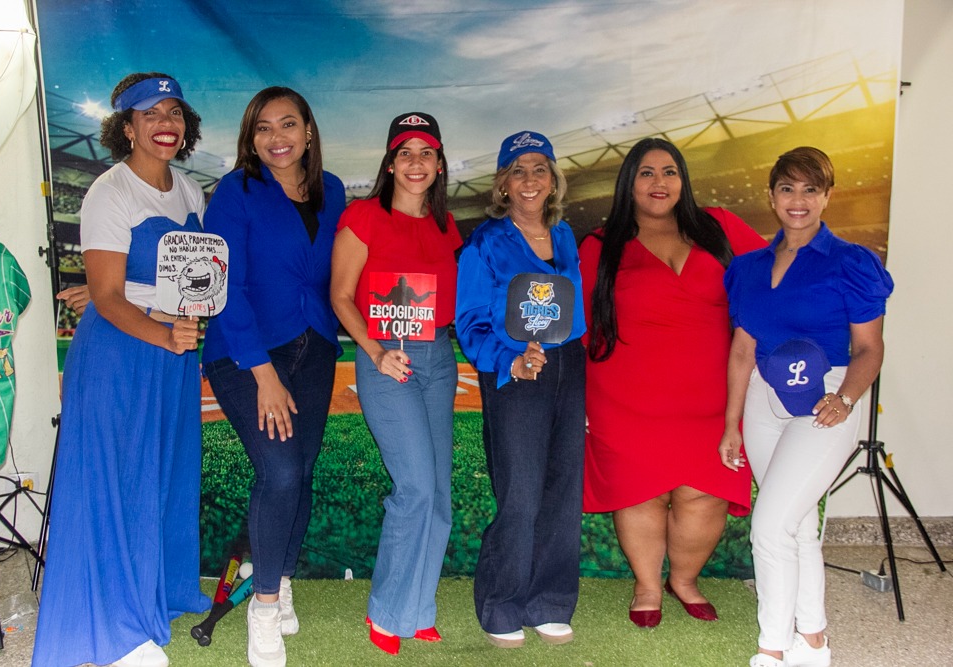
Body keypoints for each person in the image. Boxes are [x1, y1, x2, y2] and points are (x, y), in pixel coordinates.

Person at [33, 72, 210, 667]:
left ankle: (156, 593)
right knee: (118, 483)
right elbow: (108, 299)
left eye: (174, 112)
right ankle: (118, 631)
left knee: (163, 477)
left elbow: (189, 280)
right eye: (149, 113)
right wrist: (163, 330)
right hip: (123, 352)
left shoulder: (191, 192)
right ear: (127, 127)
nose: (165, 123)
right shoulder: (109, 191)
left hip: (173, 352)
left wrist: (177, 325)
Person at [581, 137, 767, 628]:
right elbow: (579, 323)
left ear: (684, 180)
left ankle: (684, 580)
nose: (658, 182)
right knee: (639, 493)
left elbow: (774, 274)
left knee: (703, 493)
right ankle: (647, 585)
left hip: (713, 399)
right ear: (629, 183)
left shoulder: (719, 226)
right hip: (625, 399)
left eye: (669, 171)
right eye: (646, 173)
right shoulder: (600, 244)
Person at [719, 147, 893, 667]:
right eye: (788, 188)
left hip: (826, 396)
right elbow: (742, 351)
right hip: (763, 396)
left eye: (811, 189)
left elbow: (870, 348)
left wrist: (845, 398)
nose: (799, 200)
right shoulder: (748, 268)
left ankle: (772, 648)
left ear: (827, 196)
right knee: (795, 528)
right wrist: (731, 423)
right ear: (772, 196)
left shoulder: (851, 262)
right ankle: (813, 640)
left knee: (770, 525)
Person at [201, 86, 345, 667]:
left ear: (308, 131)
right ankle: (262, 608)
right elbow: (223, 285)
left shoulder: (332, 189)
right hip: (247, 352)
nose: (277, 137)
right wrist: (263, 372)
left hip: (317, 346)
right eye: (263, 127)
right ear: (250, 138)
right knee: (281, 470)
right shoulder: (235, 191)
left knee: (301, 472)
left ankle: (281, 580)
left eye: (288, 124)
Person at [329, 112, 461, 655]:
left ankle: (417, 609)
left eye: (426, 152)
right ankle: (386, 610)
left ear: (439, 164)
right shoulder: (363, 216)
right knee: (415, 487)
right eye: (405, 152)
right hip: (386, 357)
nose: (415, 162)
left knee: (440, 492)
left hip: (439, 357)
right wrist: (377, 351)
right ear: (389, 163)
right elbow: (341, 296)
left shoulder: (446, 225)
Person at [456, 131, 586, 648]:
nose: (530, 179)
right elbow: (469, 322)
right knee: (521, 492)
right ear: (503, 184)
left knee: (563, 487)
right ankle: (502, 603)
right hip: (516, 370)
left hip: (567, 365)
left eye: (540, 168)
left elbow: (572, 311)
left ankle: (549, 600)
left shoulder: (566, 234)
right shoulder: (485, 243)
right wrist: (510, 360)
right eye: (518, 170)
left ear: (553, 179)